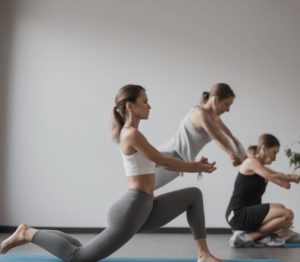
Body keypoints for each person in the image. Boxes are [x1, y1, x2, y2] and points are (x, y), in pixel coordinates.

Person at [1, 84, 223, 262]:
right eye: (144, 101)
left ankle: (203, 255)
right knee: (77, 257)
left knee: (193, 195)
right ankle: (27, 233)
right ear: (130, 105)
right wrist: (196, 167)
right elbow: (164, 162)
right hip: (132, 208)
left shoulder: (135, 135)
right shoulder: (131, 134)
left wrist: (194, 164)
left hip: (145, 207)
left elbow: (155, 164)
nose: (149, 106)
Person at [155, 83, 246, 190]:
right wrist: (232, 154)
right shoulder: (200, 114)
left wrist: (239, 151)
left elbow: (227, 135)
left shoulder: (214, 117)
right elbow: (217, 137)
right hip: (169, 155)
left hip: (179, 163)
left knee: (147, 192)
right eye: (226, 104)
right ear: (215, 99)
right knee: (142, 191)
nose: (228, 110)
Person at [226, 134, 300, 248]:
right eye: (274, 153)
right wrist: (291, 178)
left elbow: (285, 185)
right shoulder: (250, 162)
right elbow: (273, 175)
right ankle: (251, 236)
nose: (275, 158)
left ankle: (263, 235)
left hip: (249, 214)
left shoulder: (262, 169)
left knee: (286, 220)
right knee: (287, 214)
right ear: (264, 149)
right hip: (237, 213)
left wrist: (291, 178)